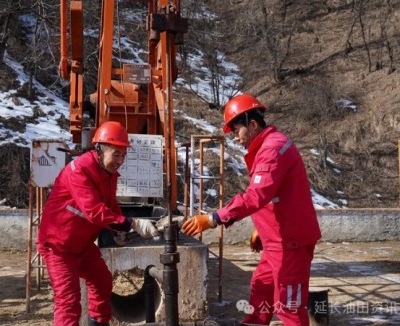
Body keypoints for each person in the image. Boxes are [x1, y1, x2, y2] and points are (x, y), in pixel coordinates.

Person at [182, 94, 321, 326]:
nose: (236, 138)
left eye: (237, 131)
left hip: (290, 242)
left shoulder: (272, 149)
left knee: (289, 306)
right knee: (261, 290)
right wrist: (262, 229)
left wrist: (214, 218)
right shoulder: (269, 146)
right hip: (278, 239)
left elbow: (257, 195)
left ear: (253, 124)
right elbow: (275, 195)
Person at [37, 121, 160, 326]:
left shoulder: (108, 174)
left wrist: (118, 231)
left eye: (123, 155)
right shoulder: (79, 171)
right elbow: (94, 211)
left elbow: (111, 208)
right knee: (68, 302)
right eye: (116, 154)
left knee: (103, 282)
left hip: (82, 245)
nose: (120, 160)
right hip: (59, 247)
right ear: (100, 150)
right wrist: (133, 224)